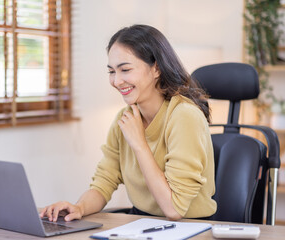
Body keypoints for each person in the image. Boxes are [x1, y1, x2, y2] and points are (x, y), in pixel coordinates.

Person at [40, 24, 217, 222]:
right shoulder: (124, 118)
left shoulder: (184, 116)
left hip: (192, 227)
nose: (117, 81)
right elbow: (104, 181)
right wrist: (79, 208)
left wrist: (139, 144)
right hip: (142, 223)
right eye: (111, 72)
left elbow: (174, 209)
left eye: (125, 69)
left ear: (156, 68)